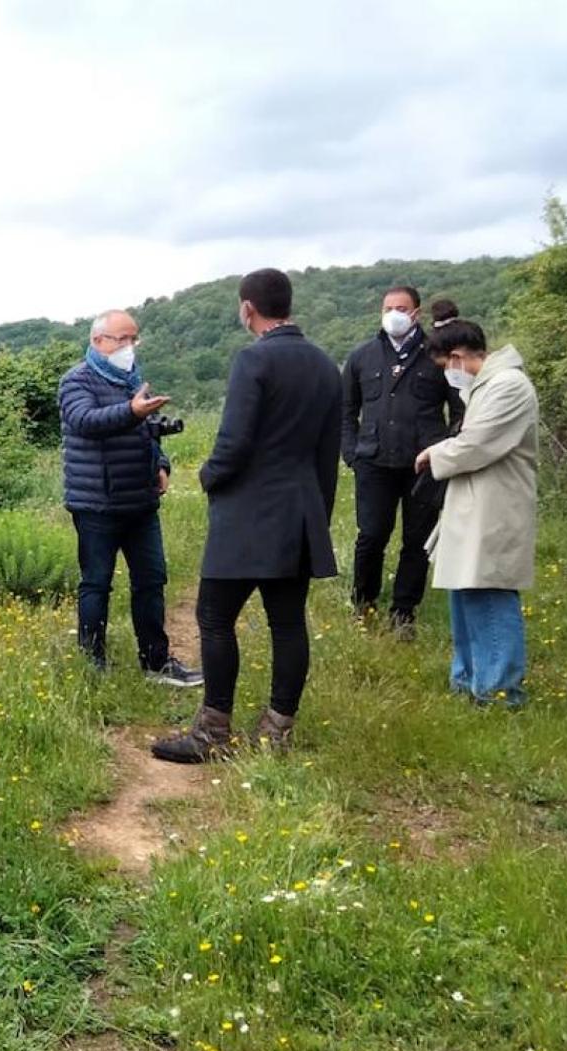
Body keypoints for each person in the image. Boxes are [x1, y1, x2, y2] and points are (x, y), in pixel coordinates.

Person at [154, 269, 340, 763]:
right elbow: (328, 454)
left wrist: (210, 475)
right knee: (287, 623)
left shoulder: (253, 360)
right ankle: (277, 733)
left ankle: (212, 734)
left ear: (248, 308)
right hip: (300, 512)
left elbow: (233, 444)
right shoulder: (325, 366)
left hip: (248, 514)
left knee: (214, 618)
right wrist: (318, 514)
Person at [57, 309, 201, 686]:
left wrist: (162, 464)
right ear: (98, 341)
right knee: (96, 583)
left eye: (133, 338)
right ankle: (93, 664)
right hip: (96, 503)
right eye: (122, 339)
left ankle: (156, 662)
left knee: (152, 580)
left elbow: (147, 432)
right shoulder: (76, 381)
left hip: (140, 501)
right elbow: (86, 421)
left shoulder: (132, 380)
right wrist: (132, 411)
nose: (129, 346)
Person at [415, 319, 539, 705]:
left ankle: (500, 691)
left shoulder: (508, 386)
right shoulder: (488, 385)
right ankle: (468, 681)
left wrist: (434, 453)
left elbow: (477, 444)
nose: (447, 376)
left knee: (490, 590)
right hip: (473, 504)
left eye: (445, 367)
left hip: (495, 506)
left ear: (457, 357)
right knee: (466, 592)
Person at [342, 285, 465, 635]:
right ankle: (363, 605)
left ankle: (403, 613)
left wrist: (448, 450)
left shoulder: (438, 355)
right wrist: (352, 454)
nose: (394, 313)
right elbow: (346, 410)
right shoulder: (362, 356)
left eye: (401, 307)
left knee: (417, 541)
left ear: (416, 313)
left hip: (425, 466)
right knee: (371, 536)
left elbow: (459, 410)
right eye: (388, 307)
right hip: (374, 462)